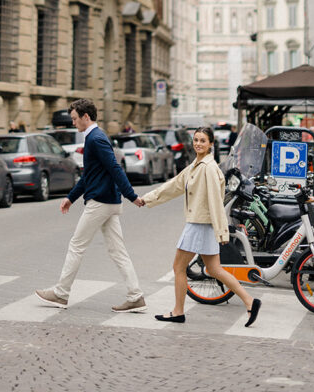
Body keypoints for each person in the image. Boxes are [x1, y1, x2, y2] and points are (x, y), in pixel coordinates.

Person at [141, 125, 260, 327]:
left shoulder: (208, 168)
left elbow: (216, 201)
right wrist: (147, 199)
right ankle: (250, 301)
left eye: (202, 141)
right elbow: (175, 184)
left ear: (211, 144)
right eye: (196, 140)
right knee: (214, 269)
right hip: (202, 224)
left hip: (199, 224)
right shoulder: (197, 165)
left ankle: (178, 312)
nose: (198, 144)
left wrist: (222, 231)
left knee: (178, 267)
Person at [35, 98, 146, 313]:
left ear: (86, 117)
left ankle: (61, 293)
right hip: (108, 201)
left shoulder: (96, 138)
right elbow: (89, 176)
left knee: (76, 246)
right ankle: (136, 296)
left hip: (100, 202)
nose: (73, 123)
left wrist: (131, 196)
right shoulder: (94, 137)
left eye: (75, 119)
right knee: (118, 251)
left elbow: (115, 167)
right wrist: (71, 197)